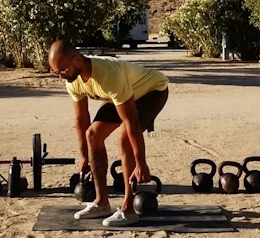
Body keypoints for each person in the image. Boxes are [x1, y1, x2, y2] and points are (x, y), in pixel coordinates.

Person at [48, 40, 169, 227]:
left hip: (152, 91)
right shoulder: (73, 80)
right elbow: (81, 119)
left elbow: (131, 122)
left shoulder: (108, 74)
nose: (60, 77)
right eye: (56, 72)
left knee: (124, 137)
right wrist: (83, 156)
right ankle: (101, 203)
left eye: (62, 70)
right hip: (125, 95)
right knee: (93, 135)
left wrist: (141, 163)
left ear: (77, 60)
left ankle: (128, 209)